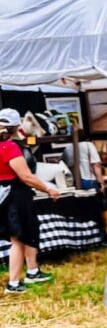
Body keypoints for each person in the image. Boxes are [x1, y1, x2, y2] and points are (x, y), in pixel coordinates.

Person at [0, 108, 61, 293]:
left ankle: (32, 272)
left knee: (26, 234)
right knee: (18, 239)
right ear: (17, 127)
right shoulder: (9, 147)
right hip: (16, 195)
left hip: (6, 194)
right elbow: (26, 176)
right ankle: (14, 284)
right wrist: (49, 188)